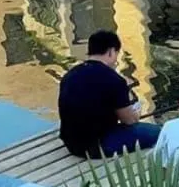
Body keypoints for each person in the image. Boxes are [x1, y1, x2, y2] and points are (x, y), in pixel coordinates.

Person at [58, 30, 160, 158]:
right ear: (111, 51)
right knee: (159, 132)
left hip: (72, 144)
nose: (116, 59)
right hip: (97, 146)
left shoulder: (69, 76)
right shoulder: (114, 80)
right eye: (117, 54)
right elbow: (129, 121)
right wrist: (135, 114)